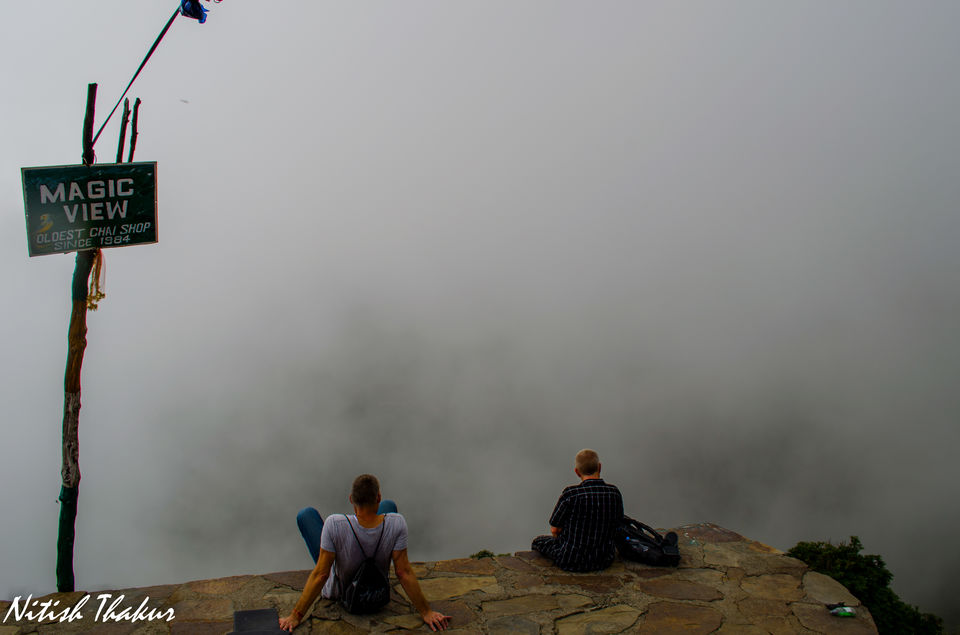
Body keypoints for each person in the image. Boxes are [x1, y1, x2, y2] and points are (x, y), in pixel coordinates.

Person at [280, 474, 451, 632]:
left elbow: (321, 574)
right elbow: (403, 572)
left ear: (351, 500)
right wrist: (426, 612)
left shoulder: (335, 524)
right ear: (378, 497)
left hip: (341, 592)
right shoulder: (397, 523)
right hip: (376, 586)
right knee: (389, 506)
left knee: (306, 514)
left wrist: (296, 615)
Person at [531, 449, 624, 572]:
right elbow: (618, 524)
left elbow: (555, 528)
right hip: (603, 559)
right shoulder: (614, 493)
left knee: (538, 542)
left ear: (577, 471)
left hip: (570, 559)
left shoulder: (571, 494)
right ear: (599, 467)